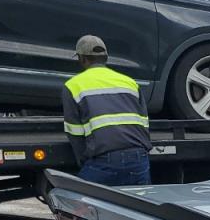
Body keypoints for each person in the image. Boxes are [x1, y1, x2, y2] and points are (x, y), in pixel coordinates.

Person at [61, 35, 151, 186]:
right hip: (139, 158)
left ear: (82, 59)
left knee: (76, 200)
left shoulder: (73, 86)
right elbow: (144, 124)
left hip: (104, 161)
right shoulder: (130, 83)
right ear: (106, 58)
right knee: (137, 206)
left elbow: (75, 133)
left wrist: (84, 161)